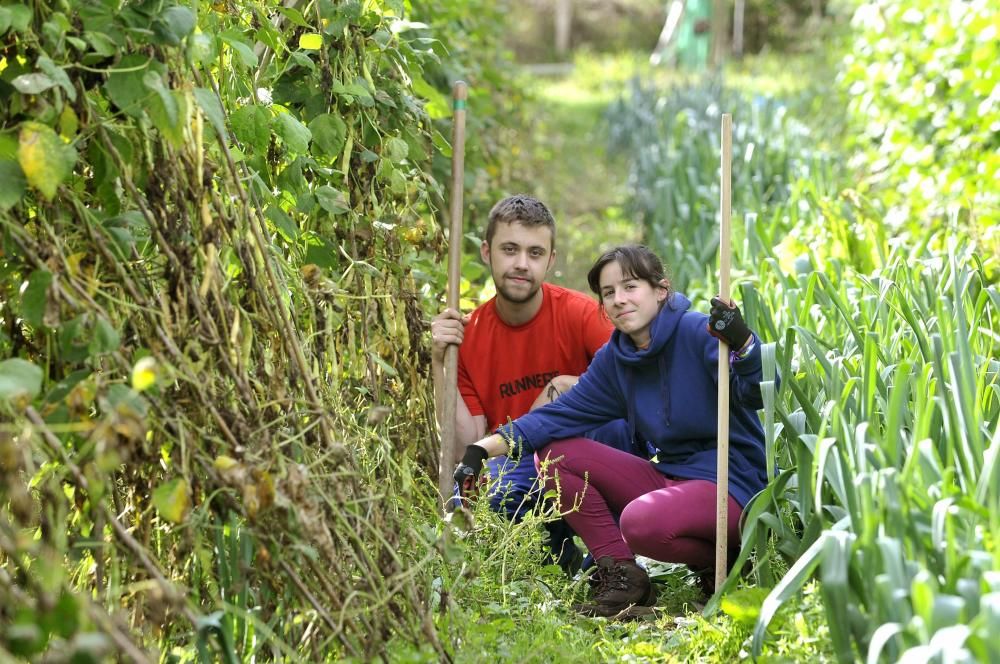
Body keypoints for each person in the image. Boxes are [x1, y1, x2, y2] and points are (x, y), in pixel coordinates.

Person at [453, 244, 776, 617]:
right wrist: (482, 448)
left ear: (661, 290)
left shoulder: (698, 332)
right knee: (556, 454)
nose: (619, 300)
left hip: (732, 482)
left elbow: (761, 393)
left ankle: (728, 562)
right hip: (673, 478)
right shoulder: (617, 359)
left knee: (641, 521)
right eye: (609, 293)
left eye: (630, 287)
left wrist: (744, 344)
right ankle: (624, 578)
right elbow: (557, 416)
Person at [431, 195, 634, 573]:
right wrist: (440, 361)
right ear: (487, 252)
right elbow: (464, 444)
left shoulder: (582, 314)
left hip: (584, 459)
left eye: (535, 253)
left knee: (617, 425)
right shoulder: (469, 337)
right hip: (516, 473)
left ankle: (612, 555)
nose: (522, 264)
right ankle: (558, 562)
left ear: (551, 260)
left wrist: (560, 391)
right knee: (496, 484)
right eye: (510, 250)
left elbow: (630, 387)